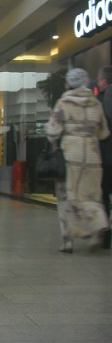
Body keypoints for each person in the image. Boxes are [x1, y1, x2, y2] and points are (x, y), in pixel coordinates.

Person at [46, 68, 110, 253]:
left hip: (70, 157)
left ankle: (67, 240)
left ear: (69, 84)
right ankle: (98, 229)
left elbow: (53, 131)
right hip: (92, 156)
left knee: (65, 197)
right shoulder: (96, 103)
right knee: (92, 195)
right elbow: (103, 132)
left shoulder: (64, 102)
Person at [96, 66, 112, 249]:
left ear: (104, 81)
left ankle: (106, 235)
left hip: (106, 158)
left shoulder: (100, 101)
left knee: (103, 196)